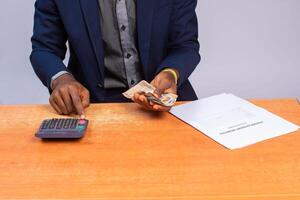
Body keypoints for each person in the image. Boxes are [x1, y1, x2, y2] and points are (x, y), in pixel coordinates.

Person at [30, 0, 200, 115]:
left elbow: (185, 45)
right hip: (94, 106)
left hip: (165, 105)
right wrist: (62, 79)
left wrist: (170, 73)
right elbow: (44, 49)